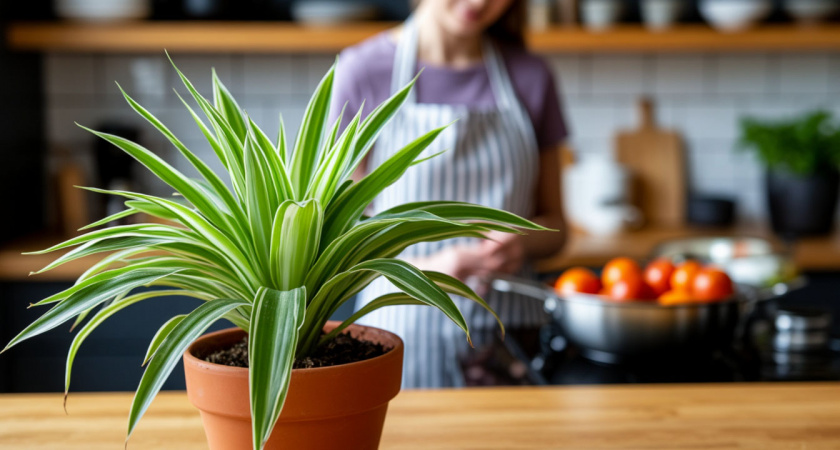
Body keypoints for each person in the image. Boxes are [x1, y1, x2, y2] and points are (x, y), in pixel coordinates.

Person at [329, 0, 567, 388]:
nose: (479, 3)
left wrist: (520, 243)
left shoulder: (531, 76)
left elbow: (558, 227)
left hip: (509, 338)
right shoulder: (363, 71)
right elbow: (339, 240)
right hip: (398, 333)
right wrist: (427, 269)